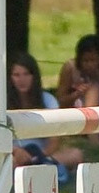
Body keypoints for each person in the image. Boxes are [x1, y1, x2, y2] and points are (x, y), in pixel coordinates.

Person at [6, 53, 85, 181]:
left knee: (76, 154)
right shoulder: (2, 103)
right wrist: (16, 151)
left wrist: (38, 156)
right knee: (10, 165)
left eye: (26, 74)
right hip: (13, 155)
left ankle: (38, 169)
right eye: (17, 75)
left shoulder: (48, 100)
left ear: (34, 76)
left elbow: (54, 141)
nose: (22, 79)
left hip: (42, 155)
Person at [57, 34, 99, 111]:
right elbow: (61, 101)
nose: (89, 65)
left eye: (93, 60)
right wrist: (77, 94)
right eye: (85, 61)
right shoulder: (70, 68)